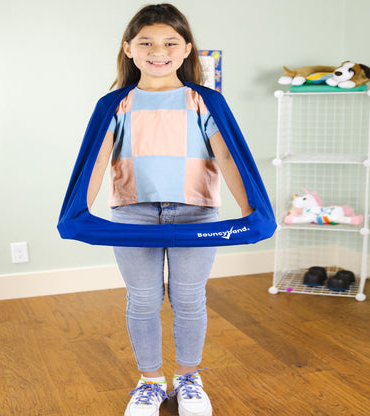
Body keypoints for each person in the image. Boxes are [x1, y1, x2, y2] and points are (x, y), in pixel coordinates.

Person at [86, 4, 253, 416]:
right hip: (133, 213)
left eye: (170, 43)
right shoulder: (115, 104)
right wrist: (80, 214)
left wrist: (251, 211)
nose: (158, 51)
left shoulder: (205, 101)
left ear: (187, 49)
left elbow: (227, 157)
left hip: (195, 213)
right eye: (146, 43)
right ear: (128, 48)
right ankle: (150, 382)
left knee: (189, 298)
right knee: (142, 299)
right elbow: (96, 159)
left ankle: (188, 378)